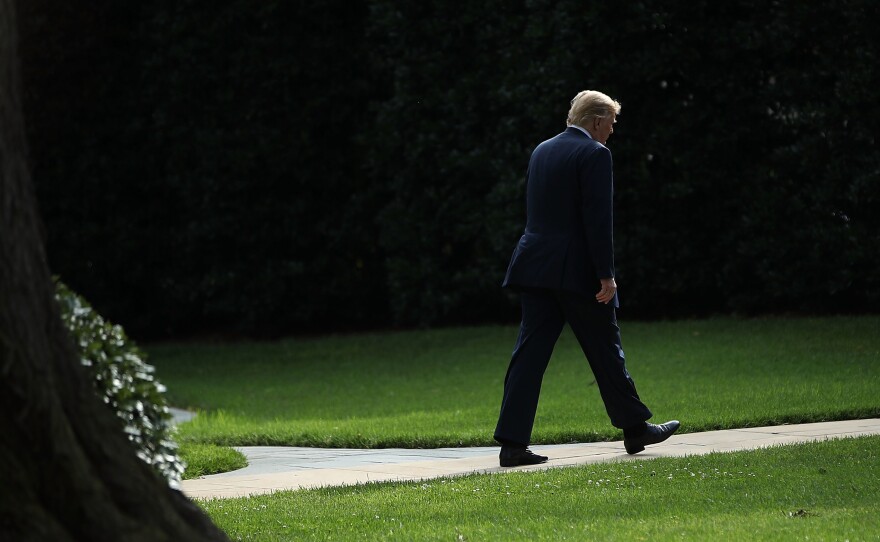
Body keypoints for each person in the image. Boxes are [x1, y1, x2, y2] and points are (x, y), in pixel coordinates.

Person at [494, 90, 679, 467]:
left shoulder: (542, 149)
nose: (612, 131)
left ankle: (512, 445)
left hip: (534, 266)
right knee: (606, 348)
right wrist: (606, 275)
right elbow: (597, 221)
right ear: (596, 121)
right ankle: (636, 429)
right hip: (576, 272)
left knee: (528, 356)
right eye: (611, 123)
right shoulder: (595, 154)